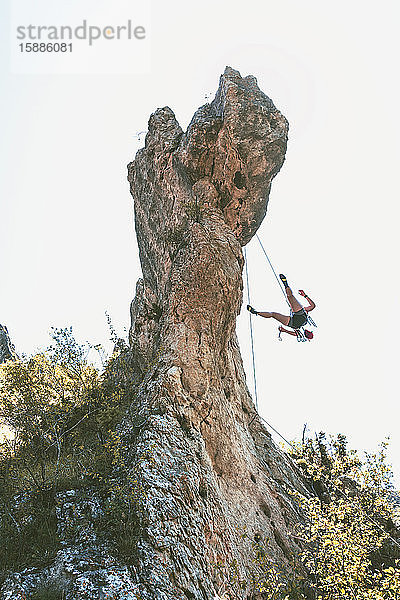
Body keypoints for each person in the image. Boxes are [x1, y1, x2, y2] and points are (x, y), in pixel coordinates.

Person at [247, 274, 316, 338]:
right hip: (294, 323)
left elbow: (312, 306)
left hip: (300, 317)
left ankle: (285, 284)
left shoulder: (309, 324)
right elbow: (296, 334)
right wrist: (284, 330)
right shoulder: (305, 330)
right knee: (273, 314)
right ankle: (255, 312)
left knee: (290, 297)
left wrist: (305, 296)